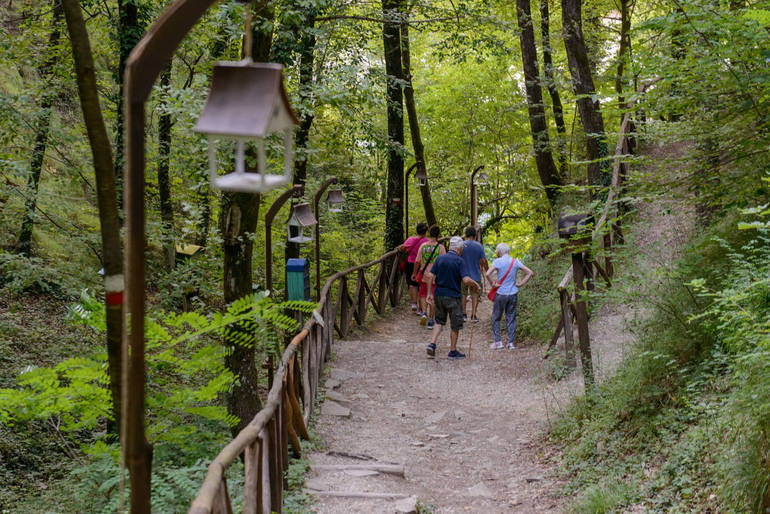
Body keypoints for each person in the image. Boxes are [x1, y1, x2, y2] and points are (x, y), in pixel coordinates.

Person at [425, 236, 481, 360]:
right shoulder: (460, 261)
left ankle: (432, 344)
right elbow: (466, 280)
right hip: (453, 296)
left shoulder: (440, 259)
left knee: (439, 321)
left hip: (439, 294)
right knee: (455, 325)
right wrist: (476, 285)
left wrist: (429, 293)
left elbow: (430, 276)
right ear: (459, 248)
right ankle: (452, 351)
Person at [485, 243, 533, 350]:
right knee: (511, 317)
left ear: (499, 252)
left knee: (496, 317)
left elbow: (487, 274)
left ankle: (498, 342)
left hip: (501, 293)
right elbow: (529, 272)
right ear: (508, 251)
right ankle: (510, 343)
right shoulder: (515, 261)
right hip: (513, 294)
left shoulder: (498, 261)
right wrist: (520, 284)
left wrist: (493, 284)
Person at [413, 225, 445, 328]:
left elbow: (417, 261)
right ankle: (431, 320)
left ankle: (424, 313)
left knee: (422, 295)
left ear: (429, 234)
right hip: (436, 277)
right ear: (438, 235)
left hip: (424, 275)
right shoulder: (441, 247)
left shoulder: (423, 246)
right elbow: (443, 263)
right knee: (433, 298)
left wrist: (414, 273)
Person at [399, 222, 428, 314]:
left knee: (412, 283)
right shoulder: (427, 242)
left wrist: (399, 248)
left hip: (410, 263)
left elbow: (402, 248)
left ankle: (414, 304)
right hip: (422, 265)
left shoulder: (410, 239)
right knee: (421, 285)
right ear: (425, 232)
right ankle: (420, 308)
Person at [460, 226, 488, 323]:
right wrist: (487, 270)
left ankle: (463, 314)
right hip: (475, 274)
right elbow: (483, 260)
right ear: (475, 235)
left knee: (463, 294)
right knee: (475, 294)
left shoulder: (461, 245)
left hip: (463, 275)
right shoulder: (479, 246)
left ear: (466, 235)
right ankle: (473, 315)